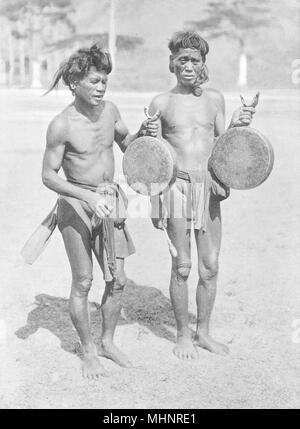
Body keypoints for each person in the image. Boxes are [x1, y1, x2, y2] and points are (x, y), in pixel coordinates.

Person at [41, 44, 151, 379]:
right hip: (76, 203)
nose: (101, 88)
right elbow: (48, 176)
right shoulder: (61, 124)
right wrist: (85, 198)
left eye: (104, 81)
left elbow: (127, 144)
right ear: (74, 82)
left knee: (118, 280)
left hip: (110, 199)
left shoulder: (111, 111)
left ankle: (106, 341)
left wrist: (144, 133)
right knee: (84, 280)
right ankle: (88, 351)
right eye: (94, 81)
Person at [146, 31, 255, 359]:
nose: (188, 66)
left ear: (203, 64)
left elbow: (224, 143)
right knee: (182, 265)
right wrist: (155, 200)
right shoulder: (161, 103)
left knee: (210, 265)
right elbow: (151, 154)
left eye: (194, 60)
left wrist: (238, 124)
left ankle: (203, 332)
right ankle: (182, 335)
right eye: (182, 60)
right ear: (171, 64)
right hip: (176, 188)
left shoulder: (214, 100)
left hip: (207, 188)